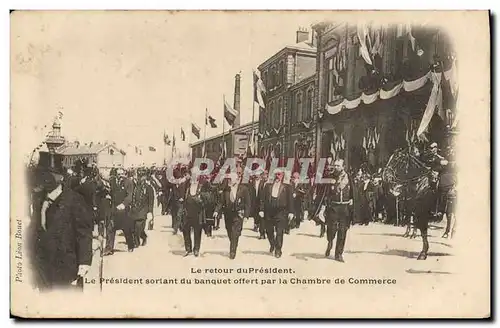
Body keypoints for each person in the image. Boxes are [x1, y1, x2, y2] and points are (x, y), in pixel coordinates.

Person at [29, 167, 93, 291]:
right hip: (42, 265)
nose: (47, 178)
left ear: (61, 177)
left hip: (66, 265)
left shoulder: (75, 199)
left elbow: (84, 232)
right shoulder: (38, 199)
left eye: (52, 174)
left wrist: (84, 261)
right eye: (44, 173)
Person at [319, 159, 354, 262]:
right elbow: (325, 192)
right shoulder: (331, 178)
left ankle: (338, 254)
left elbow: (353, 190)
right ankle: (330, 242)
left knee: (343, 231)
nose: (336, 168)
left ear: (343, 167)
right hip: (333, 207)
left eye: (338, 166)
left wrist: (352, 199)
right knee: (331, 229)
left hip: (345, 207)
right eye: (335, 166)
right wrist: (323, 206)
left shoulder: (348, 177)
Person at [214, 171, 251, 259]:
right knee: (230, 232)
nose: (229, 181)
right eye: (228, 179)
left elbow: (248, 203)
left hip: (238, 214)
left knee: (235, 232)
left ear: (236, 180)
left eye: (230, 179)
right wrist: (216, 211)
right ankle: (234, 243)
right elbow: (221, 202)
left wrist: (246, 215)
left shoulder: (243, 189)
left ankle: (232, 251)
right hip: (228, 214)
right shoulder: (226, 189)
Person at [260, 170, 293, 258]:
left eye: (279, 174)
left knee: (279, 232)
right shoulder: (268, 186)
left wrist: (291, 212)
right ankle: (272, 244)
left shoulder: (287, 187)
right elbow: (262, 199)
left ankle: (278, 250)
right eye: (276, 174)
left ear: (282, 176)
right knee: (269, 231)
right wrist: (261, 210)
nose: (277, 176)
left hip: (281, 212)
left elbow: (290, 200)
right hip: (269, 212)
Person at [104, 168, 135, 255]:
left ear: (125, 174)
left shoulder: (128, 182)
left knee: (126, 229)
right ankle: (109, 248)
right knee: (110, 227)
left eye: (121, 174)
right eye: (118, 174)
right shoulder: (113, 181)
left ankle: (131, 245)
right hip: (114, 208)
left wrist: (124, 204)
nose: (119, 176)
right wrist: (108, 195)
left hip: (123, 209)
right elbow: (111, 191)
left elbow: (130, 196)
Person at [181, 169, 211, 257]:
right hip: (187, 211)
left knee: (197, 231)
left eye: (196, 175)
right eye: (192, 175)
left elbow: (208, 198)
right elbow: (183, 195)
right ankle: (188, 249)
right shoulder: (187, 184)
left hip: (198, 212)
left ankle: (196, 249)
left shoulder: (203, 185)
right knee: (185, 230)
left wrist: (201, 199)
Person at [131, 168, 154, 247]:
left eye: (142, 176)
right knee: (134, 228)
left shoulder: (148, 188)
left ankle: (137, 242)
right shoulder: (135, 186)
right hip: (134, 209)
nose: (141, 178)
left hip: (143, 210)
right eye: (139, 176)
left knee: (138, 227)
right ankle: (142, 236)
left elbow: (151, 201)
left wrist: (150, 212)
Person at [249, 170, 267, 239]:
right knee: (255, 214)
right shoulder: (252, 182)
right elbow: (250, 191)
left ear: (260, 176)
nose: (257, 177)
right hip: (254, 201)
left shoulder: (263, 183)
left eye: (258, 175)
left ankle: (262, 233)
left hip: (262, 202)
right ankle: (256, 224)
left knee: (262, 217)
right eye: (255, 175)